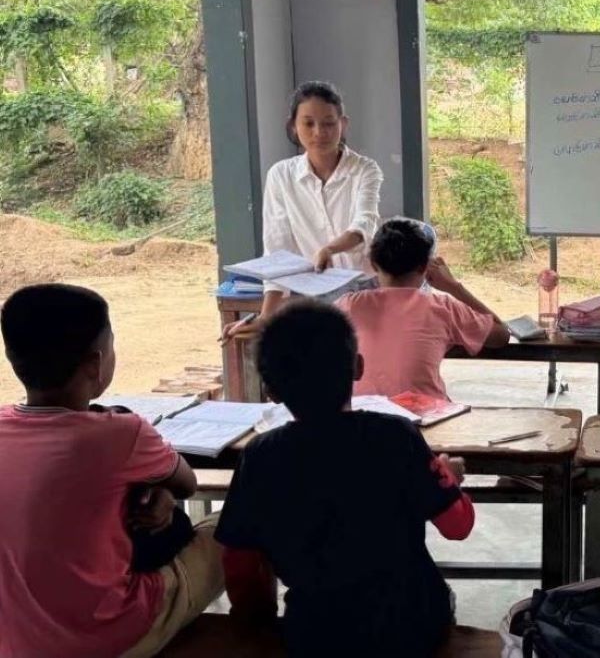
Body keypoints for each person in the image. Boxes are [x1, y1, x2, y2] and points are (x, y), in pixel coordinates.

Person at [215, 301, 475, 656]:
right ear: (357, 367)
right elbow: (458, 526)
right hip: (412, 625)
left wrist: (257, 624)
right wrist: (447, 476)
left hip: (315, 632)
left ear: (271, 391)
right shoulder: (396, 435)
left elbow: (240, 562)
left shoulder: (261, 455)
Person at [0, 284, 223, 658]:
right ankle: (259, 635)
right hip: (110, 637)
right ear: (96, 363)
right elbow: (187, 483)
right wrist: (165, 492)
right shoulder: (121, 432)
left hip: (17, 640)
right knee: (230, 523)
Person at [222, 81, 383, 341]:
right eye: (308, 123)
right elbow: (278, 249)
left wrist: (330, 249)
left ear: (343, 124)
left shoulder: (365, 169)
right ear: (293, 127)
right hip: (312, 294)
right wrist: (266, 318)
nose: (319, 132)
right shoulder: (281, 175)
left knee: (363, 368)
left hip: (366, 289)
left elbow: (364, 224)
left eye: (329, 123)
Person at [335, 217, 509, 400]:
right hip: (426, 418)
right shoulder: (443, 308)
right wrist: (453, 286)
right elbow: (501, 335)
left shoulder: (349, 305)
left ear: (373, 264)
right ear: (425, 267)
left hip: (364, 417)